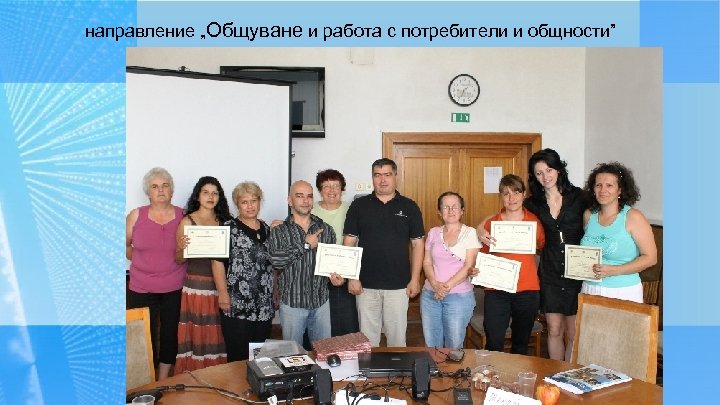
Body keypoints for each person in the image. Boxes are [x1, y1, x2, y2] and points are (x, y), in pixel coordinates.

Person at [478, 149, 585, 361]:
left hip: (574, 269)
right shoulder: (534, 203)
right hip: (548, 271)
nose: (545, 176)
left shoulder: (579, 197)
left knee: (573, 332)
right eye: (539, 173)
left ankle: (567, 374)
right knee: (553, 329)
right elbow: (506, 212)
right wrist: (480, 228)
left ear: (558, 169)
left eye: (549, 170)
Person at [344, 158, 425, 347]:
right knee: (367, 342)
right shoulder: (358, 206)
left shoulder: (410, 207)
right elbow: (349, 243)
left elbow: (418, 245)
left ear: (395, 176)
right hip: (365, 286)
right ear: (372, 178)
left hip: (399, 286)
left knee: (397, 341)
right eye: (377, 175)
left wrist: (415, 279)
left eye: (387, 174)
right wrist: (352, 277)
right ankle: (369, 368)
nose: (382, 180)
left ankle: (396, 368)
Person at [126, 167, 187, 379]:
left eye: (165, 185)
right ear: (148, 192)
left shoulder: (183, 216)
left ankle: (162, 379)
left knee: (170, 334)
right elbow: (126, 246)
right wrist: (145, 264)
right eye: (155, 186)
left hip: (174, 287)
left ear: (172, 190)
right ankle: (147, 380)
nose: (160, 190)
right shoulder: (136, 215)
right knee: (143, 335)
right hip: (141, 287)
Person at [478, 175, 545, 355]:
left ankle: (516, 374)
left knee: (521, 344)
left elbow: (542, 245)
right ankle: (493, 373)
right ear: (500, 196)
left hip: (527, 290)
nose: (511, 198)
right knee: (493, 342)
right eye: (506, 193)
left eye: (516, 192)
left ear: (524, 194)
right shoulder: (491, 223)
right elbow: (483, 255)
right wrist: (477, 270)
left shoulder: (534, 222)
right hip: (496, 290)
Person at [269, 180, 340, 346]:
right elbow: (276, 261)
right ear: (290, 200)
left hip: (321, 302)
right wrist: (306, 245)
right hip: (293, 304)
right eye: (299, 196)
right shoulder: (279, 230)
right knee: (293, 354)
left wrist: (337, 277)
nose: (305, 200)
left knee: (323, 352)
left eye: (309, 196)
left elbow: (331, 264)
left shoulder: (326, 229)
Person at [211, 181, 274, 362]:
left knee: (260, 357)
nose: (250, 206)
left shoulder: (267, 229)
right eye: (244, 202)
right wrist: (223, 293)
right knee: (238, 356)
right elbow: (216, 263)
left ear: (259, 202)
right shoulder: (227, 228)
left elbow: (271, 265)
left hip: (264, 304)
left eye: (254, 201)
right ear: (237, 204)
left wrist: (275, 291)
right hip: (237, 303)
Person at [174, 176, 232, 372]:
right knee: (198, 334)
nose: (210, 197)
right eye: (206, 192)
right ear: (197, 196)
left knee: (219, 334)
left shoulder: (225, 222)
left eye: (215, 193)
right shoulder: (187, 221)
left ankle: (217, 375)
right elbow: (179, 259)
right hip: (197, 287)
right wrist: (181, 248)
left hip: (222, 286)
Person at [580, 162, 657, 302]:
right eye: (598, 185)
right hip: (589, 289)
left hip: (623, 291)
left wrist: (614, 270)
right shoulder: (588, 215)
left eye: (609, 185)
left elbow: (651, 258)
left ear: (620, 190)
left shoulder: (633, 217)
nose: (603, 190)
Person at [420, 191, 480, 349]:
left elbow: (468, 266)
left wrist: (444, 288)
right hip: (430, 295)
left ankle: (451, 367)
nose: (451, 210)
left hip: (458, 297)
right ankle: (435, 366)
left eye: (455, 207)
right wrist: (435, 285)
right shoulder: (433, 232)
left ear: (462, 211)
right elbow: (427, 262)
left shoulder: (470, 233)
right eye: (446, 207)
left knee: (453, 346)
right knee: (432, 345)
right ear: (439, 212)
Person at [313, 169, 360, 337]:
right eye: (326, 186)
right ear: (320, 190)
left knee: (345, 325)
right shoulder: (310, 210)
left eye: (336, 186)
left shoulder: (353, 209)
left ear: (342, 189)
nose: (331, 190)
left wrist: (350, 276)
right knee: (319, 326)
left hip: (344, 275)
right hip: (315, 277)